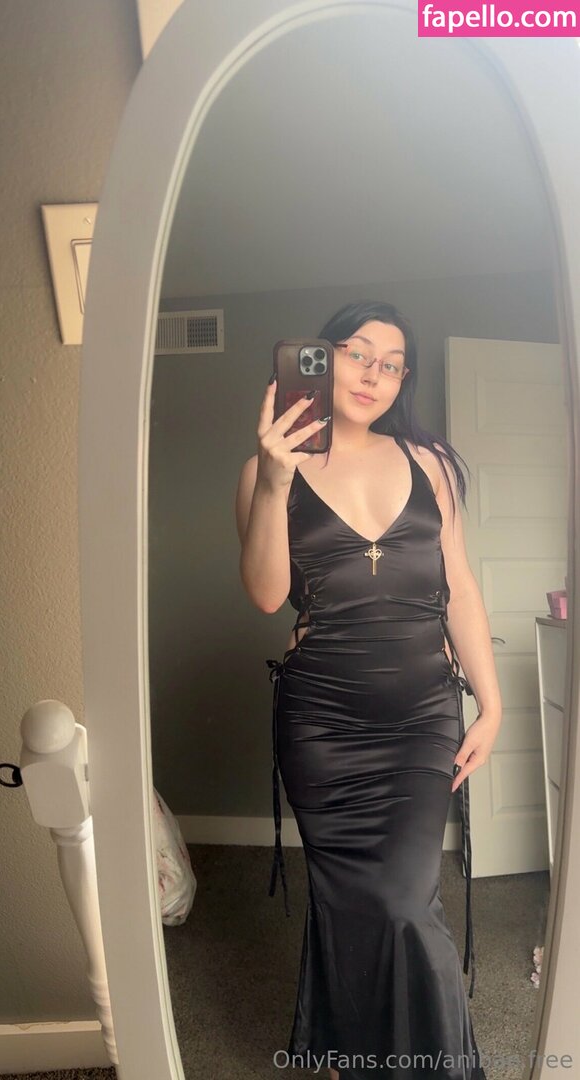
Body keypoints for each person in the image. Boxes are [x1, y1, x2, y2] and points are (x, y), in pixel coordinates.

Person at [235, 300, 502, 1080]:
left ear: (402, 379)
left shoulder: (430, 464)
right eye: (357, 353)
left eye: (391, 364)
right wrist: (275, 480)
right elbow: (265, 595)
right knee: (349, 900)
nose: (372, 374)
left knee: (405, 901)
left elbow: (460, 590)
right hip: (321, 724)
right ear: (320, 360)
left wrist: (492, 704)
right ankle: (349, 1060)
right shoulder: (265, 471)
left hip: (422, 715)